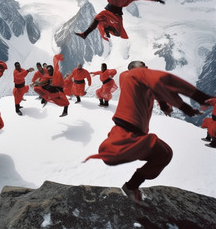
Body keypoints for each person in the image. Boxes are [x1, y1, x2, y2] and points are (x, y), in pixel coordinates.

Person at [84, 60, 213, 206]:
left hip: (126, 132)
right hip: (129, 134)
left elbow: (157, 90)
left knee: (162, 153)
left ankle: (130, 184)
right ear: (138, 69)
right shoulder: (134, 74)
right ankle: (131, 186)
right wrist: (199, 99)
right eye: (144, 67)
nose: (147, 68)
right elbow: (168, 82)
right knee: (164, 154)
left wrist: (164, 105)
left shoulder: (134, 80)